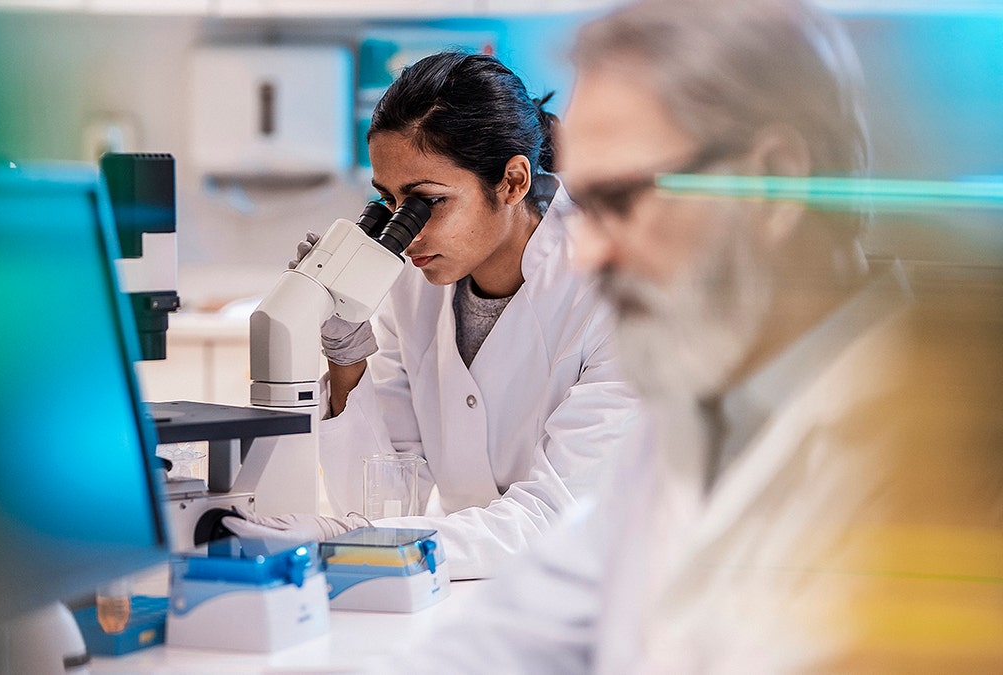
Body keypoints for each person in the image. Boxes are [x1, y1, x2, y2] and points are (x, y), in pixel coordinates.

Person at [376, 0, 1003, 671]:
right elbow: (512, 634)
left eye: (618, 201)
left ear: (774, 179)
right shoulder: (683, 426)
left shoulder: (955, 460)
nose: (586, 254)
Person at [226, 51, 641, 579]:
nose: (408, 231)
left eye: (428, 202)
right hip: (468, 583)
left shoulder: (617, 295)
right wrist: (347, 356)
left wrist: (355, 538)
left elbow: (553, 518)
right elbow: (378, 501)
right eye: (389, 203)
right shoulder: (411, 289)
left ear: (512, 182)